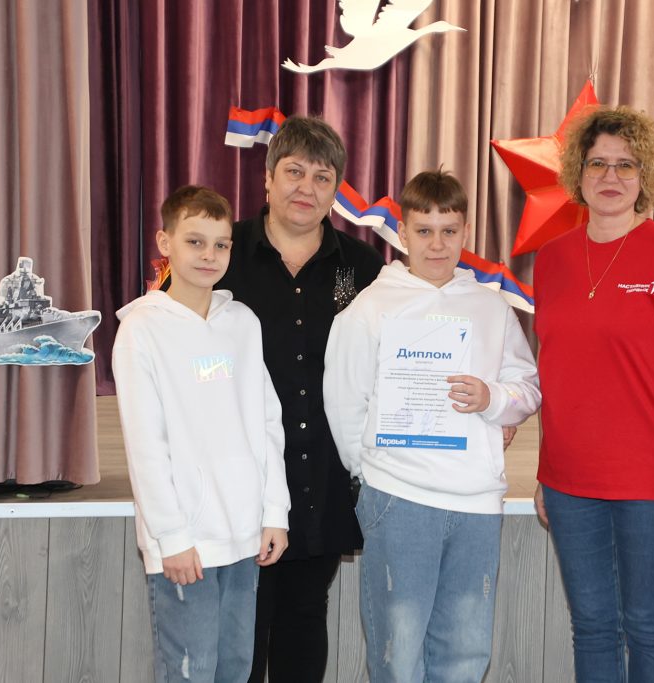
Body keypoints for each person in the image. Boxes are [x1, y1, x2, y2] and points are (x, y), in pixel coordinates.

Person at [324, 169, 541, 682]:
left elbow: (528, 389)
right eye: (424, 231)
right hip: (398, 498)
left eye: (449, 231)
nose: (437, 244)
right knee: (397, 655)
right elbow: (344, 401)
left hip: (476, 504)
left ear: (466, 232)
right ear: (402, 233)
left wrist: (493, 399)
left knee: (465, 653)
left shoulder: (491, 307)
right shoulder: (370, 307)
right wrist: (373, 472)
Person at [532, 106, 654, 682]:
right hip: (569, 485)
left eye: (626, 165)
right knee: (591, 626)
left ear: (646, 176)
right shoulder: (552, 259)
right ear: (578, 172)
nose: (611, 177)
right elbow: (554, 371)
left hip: (650, 486)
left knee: (650, 628)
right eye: (598, 164)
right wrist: (544, 472)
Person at [215, 116, 386, 682]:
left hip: (322, 480)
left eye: (321, 176)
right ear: (267, 177)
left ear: (336, 190)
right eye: (294, 172)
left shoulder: (363, 267)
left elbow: (396, 359)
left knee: (306, 615)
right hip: (238, 477)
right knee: (240, 627)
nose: (305, 188)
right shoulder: (221, 252)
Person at [112, 185, 291, 682]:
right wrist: (170, 536)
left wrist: (274, 513)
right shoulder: (142, 329)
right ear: (164, 242)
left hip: (245, 536)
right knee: (191, 671)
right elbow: (146, 444)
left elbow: (267, 423)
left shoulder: (243, 323)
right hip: (185, 542)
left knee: (235, 668)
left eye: (221, 244)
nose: (209, 255)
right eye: (195, 242)